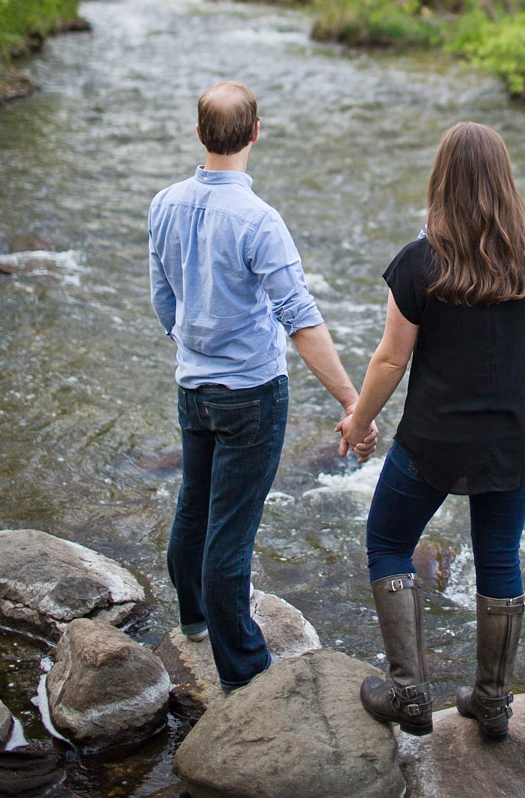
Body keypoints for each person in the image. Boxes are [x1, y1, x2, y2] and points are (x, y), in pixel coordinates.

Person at [338, 121, 525, 739]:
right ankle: (492, 701)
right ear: (505, 180)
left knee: (387, 541)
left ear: (442, 181)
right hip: (511, 441)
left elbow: (391, 359)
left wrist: (358, 421)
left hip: (431, 443)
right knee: (500, 555)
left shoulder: (419, 264)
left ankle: (409, 692)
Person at [149, 80, 373, 691]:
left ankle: (192, 617)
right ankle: (245, 674)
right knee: (231, 535)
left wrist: (197, 345)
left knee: (195, 503)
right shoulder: (260, 220)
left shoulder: (164, 203)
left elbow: (163, 302)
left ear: (199, 134)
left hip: (193, 387)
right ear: (255, 132)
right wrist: (353, 401)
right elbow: (300, 319)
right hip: (251, 392)